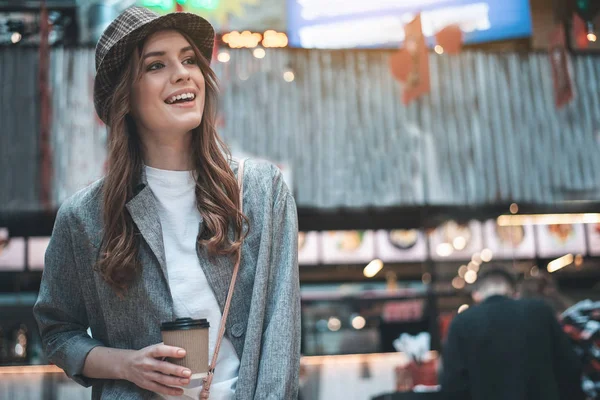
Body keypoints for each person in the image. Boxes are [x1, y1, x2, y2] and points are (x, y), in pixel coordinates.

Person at [33, 6, 300, 400]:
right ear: (125, 95)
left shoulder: (262, 191)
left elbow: (281, 337)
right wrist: (126, 365)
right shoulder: (85, 216)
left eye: (189, 59)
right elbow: (57, 331)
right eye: (156, 65)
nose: (183, 73)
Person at [441, 266, 583, 400]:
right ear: (515, 293)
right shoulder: (540, 312)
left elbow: (453, 384)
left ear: (476, 295)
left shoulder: (462, 322)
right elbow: (568, 367)